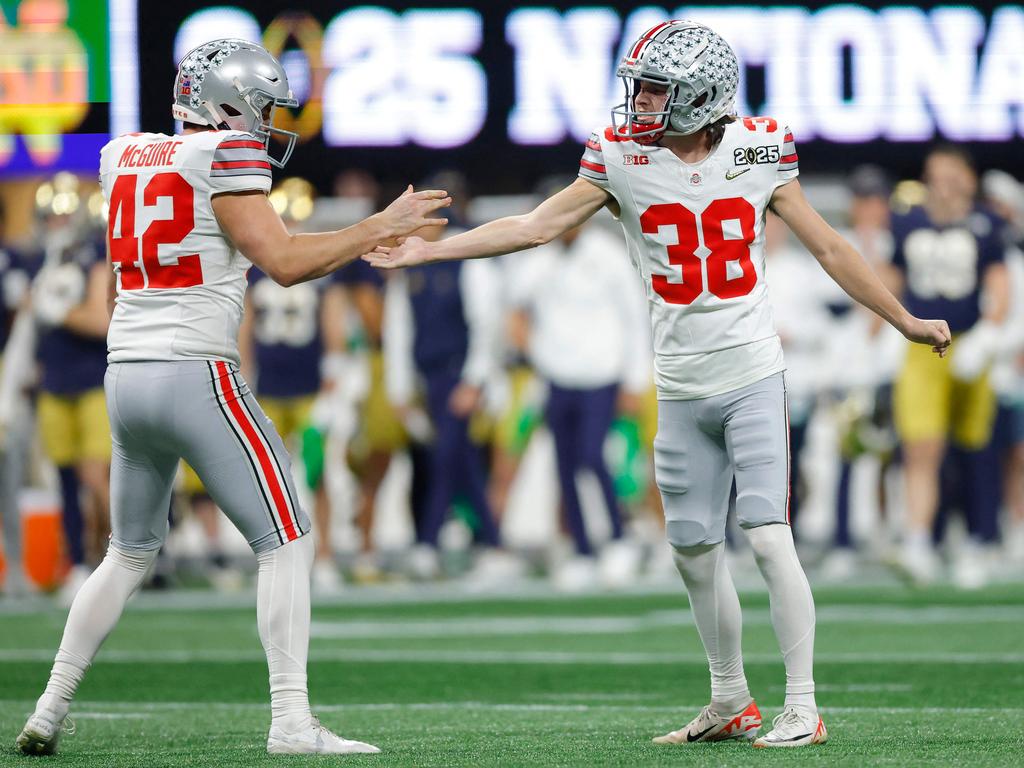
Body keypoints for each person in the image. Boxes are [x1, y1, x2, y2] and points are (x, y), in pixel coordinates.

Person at [365, 20, 950, 748]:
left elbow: (829, 245)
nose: (639, 102)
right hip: (678, 386)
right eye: (640, 86)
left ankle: (803, 703)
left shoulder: (760, 148)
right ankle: (730, 698)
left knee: (768, 539)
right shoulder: (618, 157)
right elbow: (536, 227)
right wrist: (432, 252)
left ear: (703, 95)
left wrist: (901, 319)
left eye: (655, 90)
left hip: (751, 376)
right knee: (694, 552)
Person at [16, 38, 449, 756]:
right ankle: (290, 721)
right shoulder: (223, 155)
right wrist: (379, 224)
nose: (270, 123)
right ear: (225, 104)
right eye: (263, 107)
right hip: (195, 369)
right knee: (287, 538)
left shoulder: (122, 155)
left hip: (125, 371)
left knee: (127, 552)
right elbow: (282, 261)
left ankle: (48, 709)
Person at [507, 201, 651, 590]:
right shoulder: (537, 260)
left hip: (601, 374)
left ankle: (619, 538)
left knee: (592, 457)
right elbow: (514, 310)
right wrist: (535, 352)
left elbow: (634, 317)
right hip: (556, 376)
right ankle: (583, 548)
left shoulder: (607, 255)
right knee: (565, 465)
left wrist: (634, 379)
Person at [882, 146, 1009, 586]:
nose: (943, 183)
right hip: (921, 346)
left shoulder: (986, 222)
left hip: (971, 341)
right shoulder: (907, 220)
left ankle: (978, 539)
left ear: (968, 178)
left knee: (976, 448)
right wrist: (880, 329)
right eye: (935, 174)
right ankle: (918, 541)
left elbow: (998, 281)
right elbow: (891, 278)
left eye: (951, 174)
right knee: (921, 446)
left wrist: (989, 334)